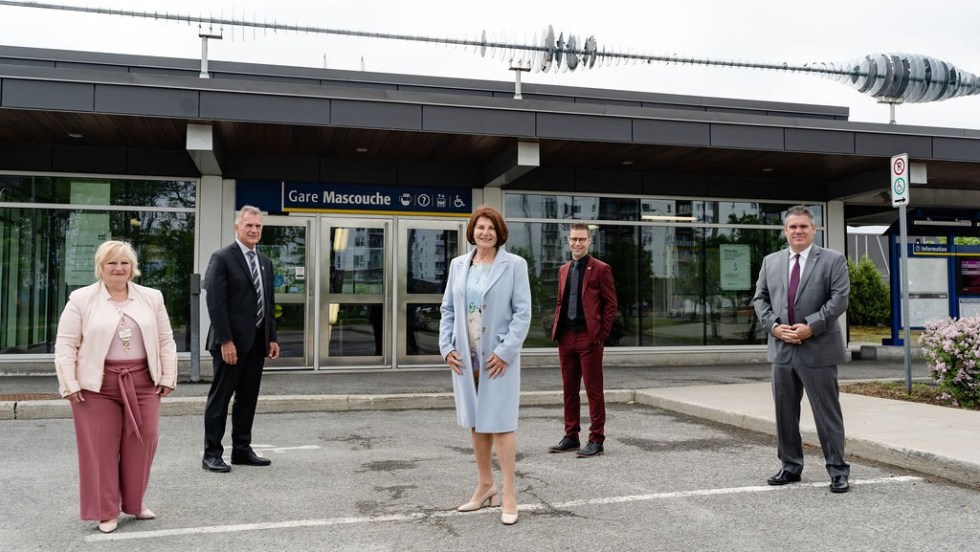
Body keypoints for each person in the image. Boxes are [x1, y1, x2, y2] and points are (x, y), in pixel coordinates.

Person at [55, 240, 177, 534]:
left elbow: (165, 340)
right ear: (101, 267)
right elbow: (66, 344)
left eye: (124, 262)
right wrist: (68, 383)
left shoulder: (152, 297)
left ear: (132, 268)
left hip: (144, 381)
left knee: (143, 442)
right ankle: (106, 511)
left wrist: (168, 376)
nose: (118, 268)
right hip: (96, 386)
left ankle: (134, 504)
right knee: (101, 449)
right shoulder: (81, 299)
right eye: (111, 263)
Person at [439, 205, 531, 525]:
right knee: (477, 422)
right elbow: (448, 310)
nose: (486, 232)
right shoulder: (458, 265)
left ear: (500, 232)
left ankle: (508, 493)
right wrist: (446, 346)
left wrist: (506, 352)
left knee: (502, 424)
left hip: (497, 359)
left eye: (491, 227)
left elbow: (522, 314)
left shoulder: (515, 265)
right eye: (480, 227)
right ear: (472, 231)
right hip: (467, 357)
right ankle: (485, 485)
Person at [752, 205, 851, 493]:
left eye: (803, 226)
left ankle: (837, 470)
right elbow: (760, 299)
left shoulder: (833, 260)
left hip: (817, 348)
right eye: (792, 227)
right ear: (785, 231)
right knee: (784, 411)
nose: (798, 231)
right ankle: (790, 466)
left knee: (826, 412)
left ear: (814, 229)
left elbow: (839, 299)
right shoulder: (771, 261)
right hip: (782, 349)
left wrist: (812, 325)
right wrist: (773, 327)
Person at [202, 205, 280, 473]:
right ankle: (211, 453)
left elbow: (268, 303)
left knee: (248, 398)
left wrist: (271, 337)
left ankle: (242, 450)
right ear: (237, 227)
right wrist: (226, 340)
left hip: (257, 343)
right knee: (220, 400)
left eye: (258, 226)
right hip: (230, 345)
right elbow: (215, 302)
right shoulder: (222, 258)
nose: (254, 230)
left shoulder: (265, 262)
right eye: (249, 225)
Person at [548, 223, 618, 458]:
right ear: (568, 241)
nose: (577, 243)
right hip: (566, 338)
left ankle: (596, 440)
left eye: (582, 239)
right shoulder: (563, 269)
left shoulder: (600, 269)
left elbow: (611, 305)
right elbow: (560, 301)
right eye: (573, 239)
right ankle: (571, 436)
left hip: (589, 339)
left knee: (593, 391)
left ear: (589, 241)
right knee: (569, 390)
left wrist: (600, 334)